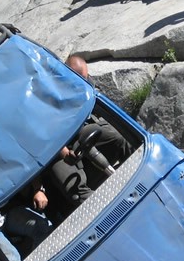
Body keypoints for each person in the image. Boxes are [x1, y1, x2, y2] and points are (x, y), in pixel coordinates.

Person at [49, 55, 132, 207]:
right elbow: (46, 132)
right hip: (55, 148)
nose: (82, 84)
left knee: (119, 138)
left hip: (82, 130)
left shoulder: (87, 83)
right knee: (72, 185)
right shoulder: (51, 94)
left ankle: (137, 173)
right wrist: (65, 153)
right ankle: (104, 208)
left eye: (84, 79)